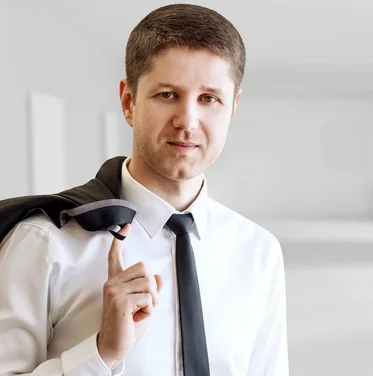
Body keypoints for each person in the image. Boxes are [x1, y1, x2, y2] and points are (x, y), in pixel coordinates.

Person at [0, 3, 289, 375]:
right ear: (128, 102)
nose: (187, 120)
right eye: (167, 94)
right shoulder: (45, 242)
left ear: (232, 107)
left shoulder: (259, 252)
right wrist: (101, 353)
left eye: (209, 98)